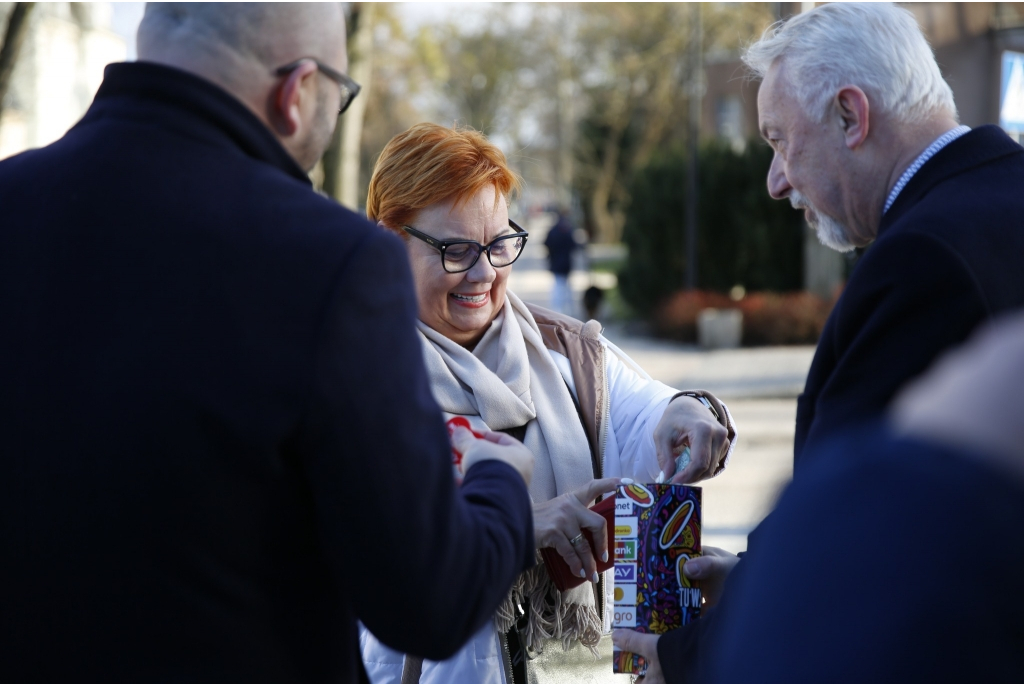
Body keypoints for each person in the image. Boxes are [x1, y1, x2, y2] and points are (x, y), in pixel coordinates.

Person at [0, 4, 537, 681]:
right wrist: (499, 479)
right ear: (297, 91)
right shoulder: (330, 261)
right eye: (339, 97)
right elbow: (427, 599)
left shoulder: (11, 205)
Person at [613, 3, 1024, 680]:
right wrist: (750, 580)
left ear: (850, 116)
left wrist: (689, 653)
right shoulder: (994, 205)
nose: (775, 182)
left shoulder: (922, 260)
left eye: (779, 140)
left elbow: (860, 540)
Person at [358, 122, 738, 684]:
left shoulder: (567, 353)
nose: (485, 273)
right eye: (457, 250)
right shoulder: (345, 373)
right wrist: (514, 528)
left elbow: (642, 414)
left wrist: (688, 412)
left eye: (498, 244)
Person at [543, 208, 580, 315]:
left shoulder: (554, 230)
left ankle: (558, 309)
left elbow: (546, 243)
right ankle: (566, 310)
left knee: (559, 287)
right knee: (565, 287)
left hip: (556, 263)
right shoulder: (568, 230)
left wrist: (551, 254)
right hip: (566, 264)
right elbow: (574, 246)